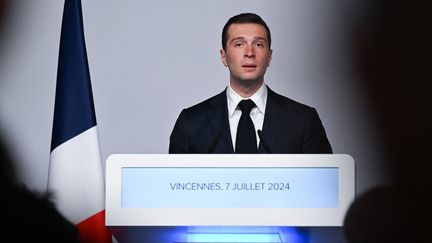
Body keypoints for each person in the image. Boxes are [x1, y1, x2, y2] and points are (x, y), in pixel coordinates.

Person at [169, 13, 332, 154]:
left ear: (269, 56)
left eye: (259, 44)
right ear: (223, 56)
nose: (249, 53)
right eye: (239, 44)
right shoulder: (191, 122)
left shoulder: (302, 120)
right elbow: (174, 186)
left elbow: (325, 186)